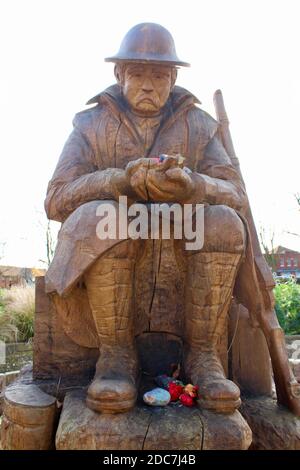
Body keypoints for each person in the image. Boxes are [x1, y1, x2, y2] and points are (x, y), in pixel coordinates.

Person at [45, 23, 248, 414]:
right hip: (114, 241)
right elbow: (56, 199)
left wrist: (193, 185)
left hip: (183, 239)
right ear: (119, 75)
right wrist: (118, 180)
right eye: (138, 74)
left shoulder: (200, 126)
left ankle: (203, 357)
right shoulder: (89, 126)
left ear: (173, 79)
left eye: (159, 75)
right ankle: (116, 358)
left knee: (224, 222)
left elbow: (235, 192)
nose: (149, 85)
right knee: (103, 218)